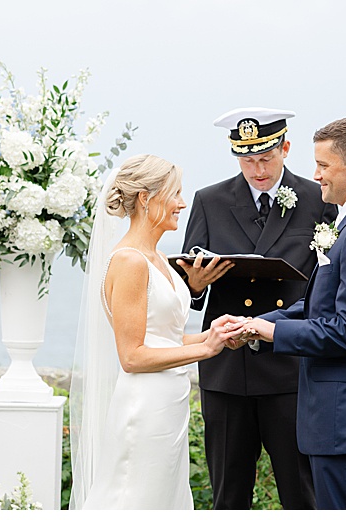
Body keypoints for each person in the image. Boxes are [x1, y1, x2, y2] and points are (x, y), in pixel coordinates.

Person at [231, 116, 346, 510]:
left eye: (323, 166)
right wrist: (258, 324)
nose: (315, 176)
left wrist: (273, 335)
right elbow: (320, 305)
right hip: (343, 422)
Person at [174, 107, 335, 509]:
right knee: (229, 495)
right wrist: (194, 286)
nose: (257, 169)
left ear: (286, 148)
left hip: (290, 366)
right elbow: (188, 289)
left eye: (265, 158)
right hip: (228, 371)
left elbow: (330, 278)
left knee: (302, 494)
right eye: (247, 160)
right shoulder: (209, 201)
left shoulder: (317, 198)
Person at [69, 154, 245, 510]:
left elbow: (164, 340)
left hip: (169, 405)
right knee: (135, 499)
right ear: (147, 199)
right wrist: (205, 350)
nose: (183, 203)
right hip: (144, 407)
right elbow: (132, 356)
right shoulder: (130, 262)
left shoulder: (157, 257)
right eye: (175, 193)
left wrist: (215, 334)